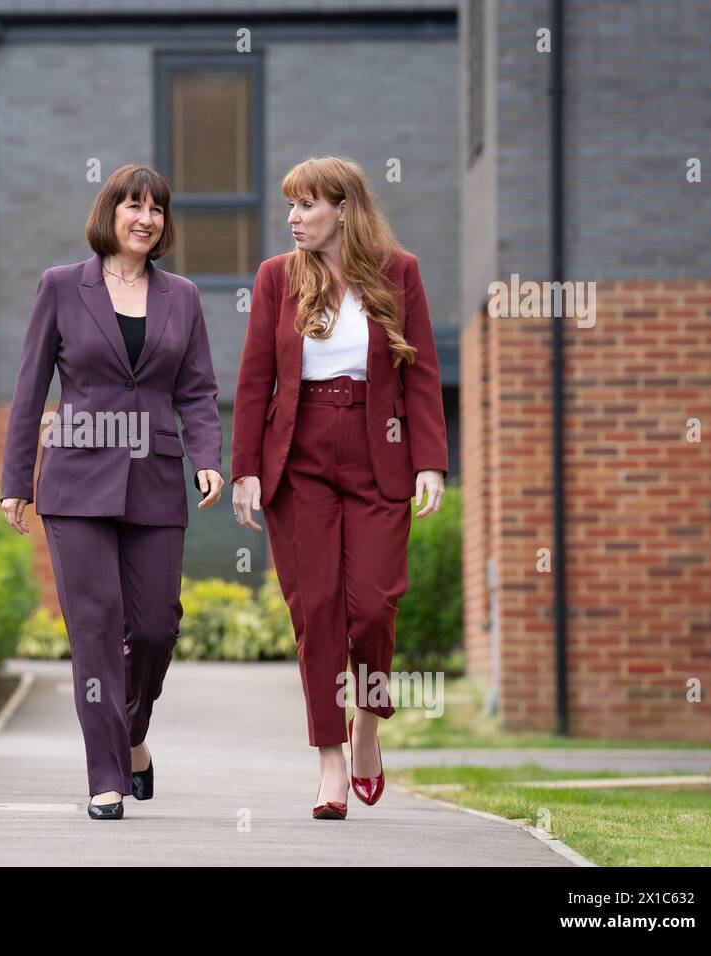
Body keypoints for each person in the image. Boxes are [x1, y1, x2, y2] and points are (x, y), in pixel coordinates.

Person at [0, 164, 224, 820]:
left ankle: (130, 735)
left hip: (154, 478)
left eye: (156, 209)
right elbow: (29, 386)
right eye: (133, 205)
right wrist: (17, 481)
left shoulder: (182, 296)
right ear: (110, 213)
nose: (145, 218)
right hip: (75, 482)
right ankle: (106, 777)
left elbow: (198, 389)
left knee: (155, 628)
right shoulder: (62, 287)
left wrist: (207, 458)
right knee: (95, 629)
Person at [230, 156, 448, 820]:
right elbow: (252, 379)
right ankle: (329, 756)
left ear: (343, 209)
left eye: (307, 205)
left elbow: (423, 373)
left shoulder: (398, 271)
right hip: (297, 457)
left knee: (375, 605)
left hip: (379, 448)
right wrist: (246, 468)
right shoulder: (276, 278)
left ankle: (369, 725)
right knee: (317, 609)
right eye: (290, 207)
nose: (294, 218)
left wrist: (429, 461)